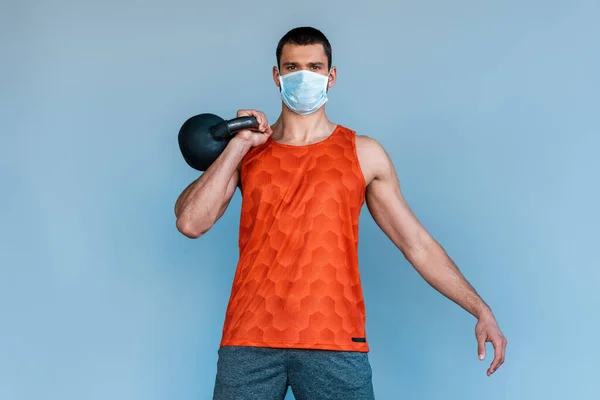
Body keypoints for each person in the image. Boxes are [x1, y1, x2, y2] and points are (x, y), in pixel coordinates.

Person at [174, 26, 507, 400]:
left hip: (334, 340)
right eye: (292, 67)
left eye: (315, 67)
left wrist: (480, 309)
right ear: (276, 76)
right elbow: (190, 222)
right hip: (250, 338)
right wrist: (238, 145)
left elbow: (417, 244)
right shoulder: (248, 153)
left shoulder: (363, 153)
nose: (304, 76)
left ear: (331, 77)